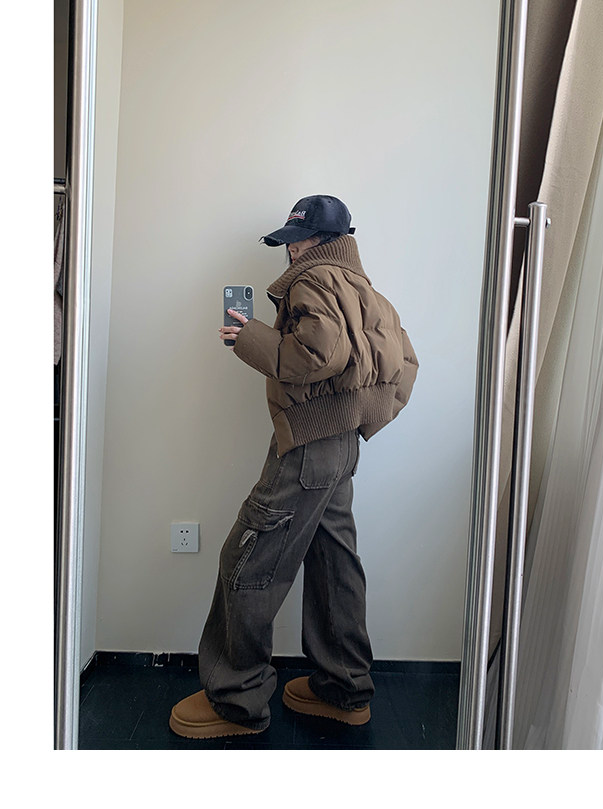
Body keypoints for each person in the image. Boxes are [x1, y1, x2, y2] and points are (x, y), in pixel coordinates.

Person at [169, 195, 418, 739]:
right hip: (343, 445)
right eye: (289, 242)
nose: (292, 251)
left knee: (249, 557)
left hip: (308, 447)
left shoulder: (312, 280)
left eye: (297, 240)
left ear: (323, 241)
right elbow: (404, 362)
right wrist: (361, 415)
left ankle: (236, 701)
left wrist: (248, 337)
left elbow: (317, 355)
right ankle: (343, 689)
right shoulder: (364, 289)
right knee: (334, 563)